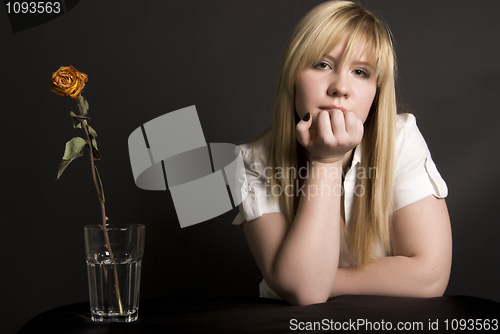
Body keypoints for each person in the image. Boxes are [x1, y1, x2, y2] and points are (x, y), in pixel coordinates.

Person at [231, 0, 452, 306]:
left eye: (361, 72)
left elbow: (430, 276)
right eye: (322, 64)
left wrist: (315, 277)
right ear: (293, 75)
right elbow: (306, 296)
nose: (340, 87)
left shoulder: (401, 138)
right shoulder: (254, 161)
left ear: (376, 91)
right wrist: (327, 160)